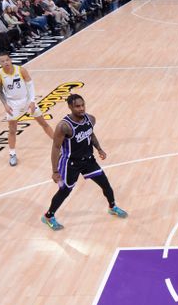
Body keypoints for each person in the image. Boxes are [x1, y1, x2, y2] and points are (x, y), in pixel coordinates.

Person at [42, 94, 128, 230]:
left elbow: (91, 133)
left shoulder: (90, 119)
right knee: (64, 191)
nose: (81, 108)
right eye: (77, 106)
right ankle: (48, 216)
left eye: (83, 105)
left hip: (88, 160)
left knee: (106, 184)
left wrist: (99, 148)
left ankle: (112, 207)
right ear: (70, 107)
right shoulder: (64, 126)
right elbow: (56, 147)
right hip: (70, 163)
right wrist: (54, 171)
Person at [0, 52, 54, 166]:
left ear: (10, 60)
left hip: (26, 100)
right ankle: (12, 154)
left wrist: (32, 101)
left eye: (7, 60)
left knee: (43, 123)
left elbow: (30, 86)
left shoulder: (21, 70)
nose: (5, 62)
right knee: (12, 130)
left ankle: (58, 144)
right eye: (2, 61)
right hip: (12, 103)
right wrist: (5, 104)